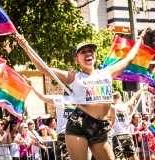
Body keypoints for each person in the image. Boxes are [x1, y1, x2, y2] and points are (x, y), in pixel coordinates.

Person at [16, 28, 148, 160]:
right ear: (77, 60)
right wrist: (25, 47)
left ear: (94, 55)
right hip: (79, 124)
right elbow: (44, 69)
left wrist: (139, 39)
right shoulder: (74, 77)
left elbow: (129, 58)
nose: (88, 54)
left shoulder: (107, 72)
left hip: (100, 126)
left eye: (90, 51)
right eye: (83, 52)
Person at [110, 84, 148, 160]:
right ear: (120, 97)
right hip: (127, 135)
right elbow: (134, 96)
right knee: (133, 156)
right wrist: (143, 89)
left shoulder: (111, 107)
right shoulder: (126, 105)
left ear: (114, 99)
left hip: (116, 136)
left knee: (119, 158)